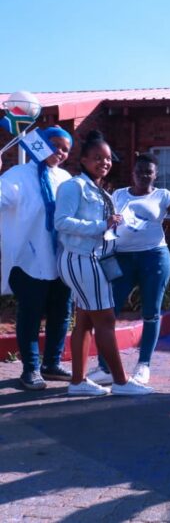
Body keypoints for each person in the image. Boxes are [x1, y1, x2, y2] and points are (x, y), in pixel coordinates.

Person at [54, 130, 153, 396]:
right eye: (97, 158)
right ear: (83, 159)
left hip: (95, 258)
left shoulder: (99, 190)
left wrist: (115, 224)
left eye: (108, 159)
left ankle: (78, 382)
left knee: (85, 321)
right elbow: (61, 222)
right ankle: (121, 382)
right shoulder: (73, 186)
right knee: (106, 320)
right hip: (83, 258)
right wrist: (102, 225)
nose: (104, 163)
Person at [86, 153, 170, 386]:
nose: (143, 175)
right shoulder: (119, 194)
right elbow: (103, 218)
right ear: (133, 173)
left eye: (148, 171)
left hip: (154, 257)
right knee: (109, 310)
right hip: (121, 259)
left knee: (151, 311)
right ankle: (105, 367)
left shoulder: (163, 195)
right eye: (139, 171)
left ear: (155, 174)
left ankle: (143, 365)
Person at [0, 127, 74, 390]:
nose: (61, 152)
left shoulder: (65, 178)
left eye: (66, 149)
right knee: (30, 314)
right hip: (27, 260)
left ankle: (51, 364)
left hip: (61, 260)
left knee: (61, 313)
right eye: (55, 145)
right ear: (40, 143)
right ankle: (30, 369)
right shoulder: (17, 176)